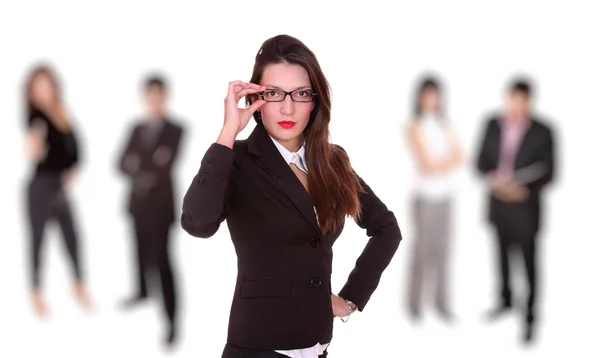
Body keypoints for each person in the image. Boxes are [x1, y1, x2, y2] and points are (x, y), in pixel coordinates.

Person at [181, 34, 402, 358]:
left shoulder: (332, 161)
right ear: (256, 98)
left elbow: (386, 228)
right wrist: (229, 131)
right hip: (259, 348)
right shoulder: (237, 160)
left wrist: (352, 297)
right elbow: (197, 223)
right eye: (274, 93)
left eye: (300, 93)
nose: (287, 107)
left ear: (315, 100)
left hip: (318, 348)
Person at [475, 78, 556, 343]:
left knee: (529, 263)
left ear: (529, 101)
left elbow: (550, 171)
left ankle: (531, 315)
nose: (514, 105)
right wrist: (494, 179)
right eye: (511, 99)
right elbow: (480, 162)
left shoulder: (544, 130)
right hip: (498, 204)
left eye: (520, 100)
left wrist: (524, 190)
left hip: (525, 207)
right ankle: (505, 301)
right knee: (500, 257)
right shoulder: (492, 124)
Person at [117, 75, 184, 346]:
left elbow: (163, 166)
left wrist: (139, 166)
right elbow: (120, 163)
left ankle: (172, 321)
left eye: (158, 96)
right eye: (150, 96)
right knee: (137, 249)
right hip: (137, 205)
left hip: (160, 207)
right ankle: (142, 292)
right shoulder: (135, 128)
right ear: (144, 98)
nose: (154, 101)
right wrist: (148, 166)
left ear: (164, 97)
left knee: (162, 261)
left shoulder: (176, 129)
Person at [23, 64, 91, 317]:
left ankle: (79, 285)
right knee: (38, 240)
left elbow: (74, 151)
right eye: (37, 88)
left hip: (60, 187)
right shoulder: (36, 117)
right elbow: (33, 148)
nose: (43, 92)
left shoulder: (61, 115)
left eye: (46, 86)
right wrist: (34, 146)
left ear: (53, 88)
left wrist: (72, 171)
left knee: (72, 237)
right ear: (32, 92)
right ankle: (36, 292)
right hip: (40, 187)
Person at [404, 76, 463, 322]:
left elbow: (460, 156)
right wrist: (443, 163)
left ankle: (441, 303)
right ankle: (414, 305)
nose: (432, 99)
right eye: (428, 94)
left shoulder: (444, 124)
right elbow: (427, 164)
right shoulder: (414, 125)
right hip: (425, 197)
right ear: (420, 97)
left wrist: (443, 163)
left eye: (436, 94)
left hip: (446, 197)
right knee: (423, 251)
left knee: (443, 251)